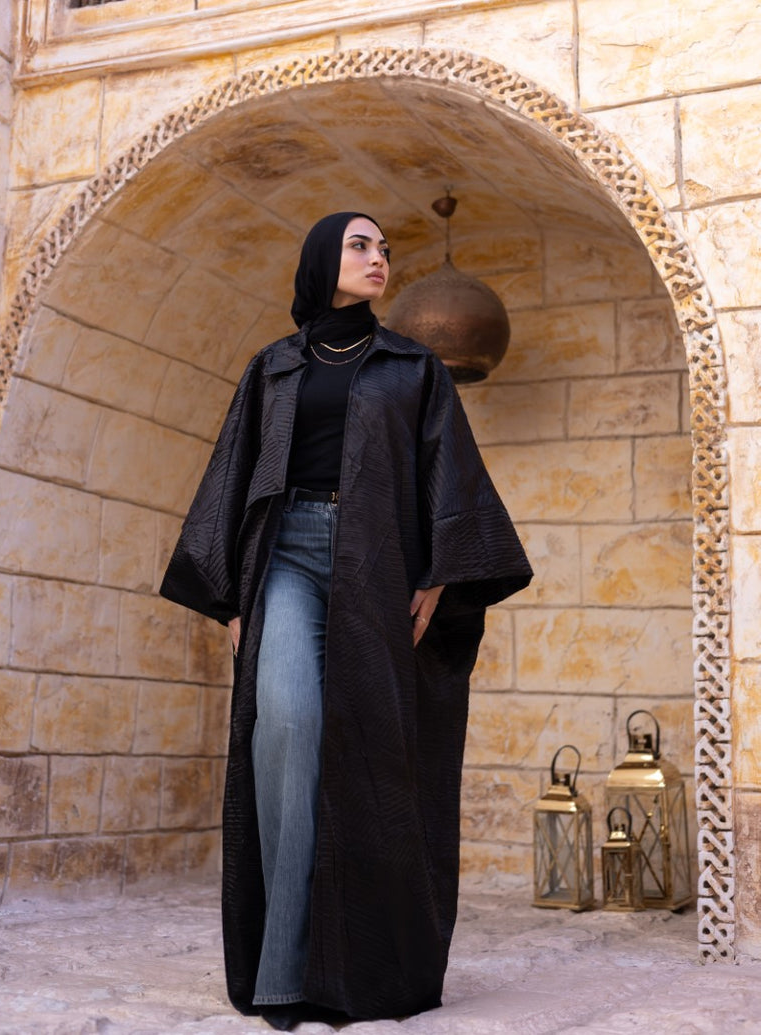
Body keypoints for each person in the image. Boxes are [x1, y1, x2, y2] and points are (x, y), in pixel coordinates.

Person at [160, 211, 533, 1031]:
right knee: (286, 725)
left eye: (384, 250)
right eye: (361, 246)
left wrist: (439, 572)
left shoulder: (413, 367)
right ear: (322, 259)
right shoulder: (274, 367)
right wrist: (231, 596)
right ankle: (285, 972)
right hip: (286, 559)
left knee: (373, 752)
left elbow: (450, 469)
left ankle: (368, 967)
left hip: (379, 564)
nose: (378, 259)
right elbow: (232, 471)